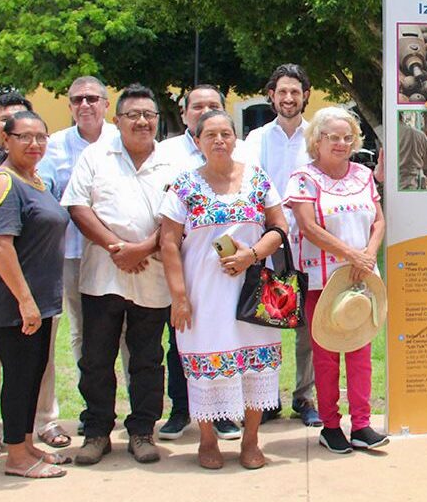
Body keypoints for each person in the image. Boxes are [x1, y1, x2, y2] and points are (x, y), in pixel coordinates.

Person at [159, 110, 286, 470]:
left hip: (251, 292)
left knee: (255, 366)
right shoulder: (183, 185)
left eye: (226, 134)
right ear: (197, 142)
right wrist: (179, 297)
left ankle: (250, 441)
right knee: (205, 365)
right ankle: (207, 439)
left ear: (235, 139)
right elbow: (168, 242)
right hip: (203, 296)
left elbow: (279, 227)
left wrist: (253, 254)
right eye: (210, 135)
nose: (219, 140)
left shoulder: (258, 180)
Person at [63, 85, 177, 465]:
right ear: (117, 120)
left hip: (154, 276)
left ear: (157, 121)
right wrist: (117, 248)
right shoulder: (96, 157)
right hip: (103, 275)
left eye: (149, 115)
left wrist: (142, 249)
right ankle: (97, 432)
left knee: (147, 358)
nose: (142, 121)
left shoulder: (173, 162)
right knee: (96, 358)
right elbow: (78, 207)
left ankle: (143, 431)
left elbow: (181, 216)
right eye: (133, 115)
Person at [0, 92, 70, 457]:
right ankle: (17, 457)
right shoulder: (4, 182)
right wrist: (25, 301)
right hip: (13, 302)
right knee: (18, 377)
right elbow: (0, 246)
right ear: (5, 140)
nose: (35, 144)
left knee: (32, 374)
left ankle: (25, 444)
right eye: (24, 137)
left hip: (40, 299)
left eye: (41, 137)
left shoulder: (35, 179)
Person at [286, 106, 389, 453]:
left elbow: (378, 221)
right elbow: (308, 227)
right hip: (323, 280)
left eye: (348, 137)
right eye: (334, 137)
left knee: (361, 350)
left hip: (361, 278)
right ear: (317, 140)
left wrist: (369, 253)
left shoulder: (362, 174)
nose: (342, 143)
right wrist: (352, 255)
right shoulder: (303, 178)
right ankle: (331, 426)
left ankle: (362, 424)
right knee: (326, 355)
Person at [234, 64, 320, 427]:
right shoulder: (255, 140)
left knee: (309, 325)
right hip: (270, 242)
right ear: (271, 95)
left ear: (305, 96)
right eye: (282, 92)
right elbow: (250, 187)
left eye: (295, 92)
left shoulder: (315, 137)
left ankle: (305, 397)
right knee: (267, 318)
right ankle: (265, 400)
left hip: (311, 241)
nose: (288, 98)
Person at [152, 84, 239, 441]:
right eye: (198, 106)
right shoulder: (167, 152)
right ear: (186, 112)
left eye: (213, 106)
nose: (205, 111)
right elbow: (164, 211)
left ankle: (224, 414)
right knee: (183, 340)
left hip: (231, 269)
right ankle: (181, 408)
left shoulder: (240, 153)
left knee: (229, 340)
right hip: (188, 266)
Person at [41, 75, 119, 436]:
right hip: (72, 253)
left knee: (129, 328)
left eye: (92, 98)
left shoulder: (123, 141)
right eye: (77, 100)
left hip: (122, 253)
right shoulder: (54, 146)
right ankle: (94, 402)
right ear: (70, 106)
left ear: (106, 104)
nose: (84, 105)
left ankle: (134, 404)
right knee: (82, 331)